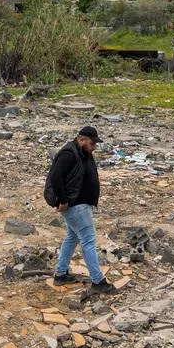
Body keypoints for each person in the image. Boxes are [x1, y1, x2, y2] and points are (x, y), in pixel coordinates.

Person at [44, 126, 116, 294]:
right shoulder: (68, 154)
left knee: (72, 238)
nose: (94, 147)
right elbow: (55, 176)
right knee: (89, 241)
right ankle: (98, 281)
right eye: (92, 143)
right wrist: (62, 200)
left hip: (80, 203)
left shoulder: (82, 152)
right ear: (82, 139)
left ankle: (61, 273)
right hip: (75, 205)